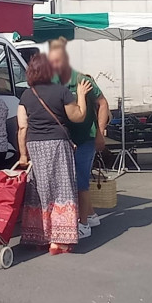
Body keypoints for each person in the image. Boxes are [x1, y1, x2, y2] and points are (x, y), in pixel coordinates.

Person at [17, 53, 92, 255]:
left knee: (39, 191)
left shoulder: (26, 95)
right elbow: (78, 116)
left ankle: (40, 236)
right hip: (58, 144)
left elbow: (22, 127)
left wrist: (23, 155)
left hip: (35, 146)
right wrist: (81, 95)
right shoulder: (61, 91)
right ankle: (59, 241)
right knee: (62, 189)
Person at [48, 38, 110, 239]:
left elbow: (103, 104)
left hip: (85, 138)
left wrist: (100, 132)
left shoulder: (83, 81)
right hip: (65, 140)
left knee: (80, 180)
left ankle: (83, 225)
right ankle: (90, 215)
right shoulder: (51, 82)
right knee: (71, 180)